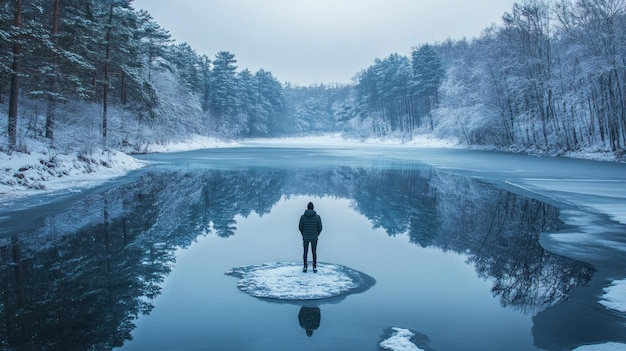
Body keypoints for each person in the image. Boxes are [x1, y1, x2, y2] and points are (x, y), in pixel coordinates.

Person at [299, 202, 322, 273]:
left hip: (305, 237)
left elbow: (300, 227)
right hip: (314, 237)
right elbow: (320, 228)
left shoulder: (303, 217)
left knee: (305, 252)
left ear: (307, 207)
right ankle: (314, 267)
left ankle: (305, 266)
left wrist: (303, 234)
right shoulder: (317, 217)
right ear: (313, 208)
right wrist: (316, 234)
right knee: (314, 252)